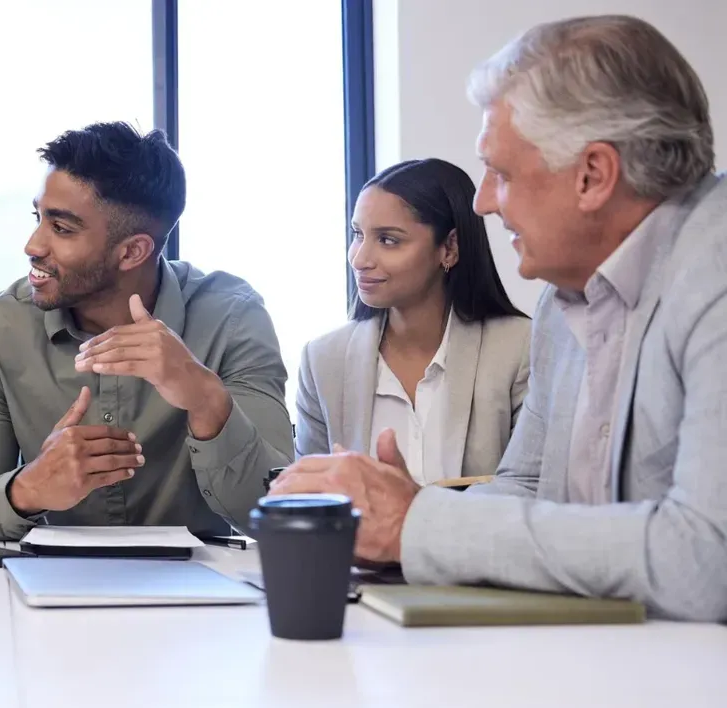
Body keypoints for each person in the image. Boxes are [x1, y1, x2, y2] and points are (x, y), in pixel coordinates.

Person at [269, 15, 727, 622]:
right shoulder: (563, 307)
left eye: (502, 173)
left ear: (592, 175)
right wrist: (395, 527)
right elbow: (526, 491)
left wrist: (418, 526)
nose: (484, 200)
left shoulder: (713, 274)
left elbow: (705, 561)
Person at [0, 122, 294, 541]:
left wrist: (206, 401)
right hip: (42, 590)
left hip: (201, 596)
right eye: (38, 217)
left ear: (132, 251)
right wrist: (29, 488)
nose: (33, 245)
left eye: (62, 228)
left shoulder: (231, 319)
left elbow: (276, 512)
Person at [296, 158, 530, 485]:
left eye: (388, 240)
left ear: (449, 248)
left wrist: (415, 509)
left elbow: (532, 493)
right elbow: (310, 505)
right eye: (357, 234)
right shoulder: (323, 361)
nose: (360, 259)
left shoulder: (520, 350)